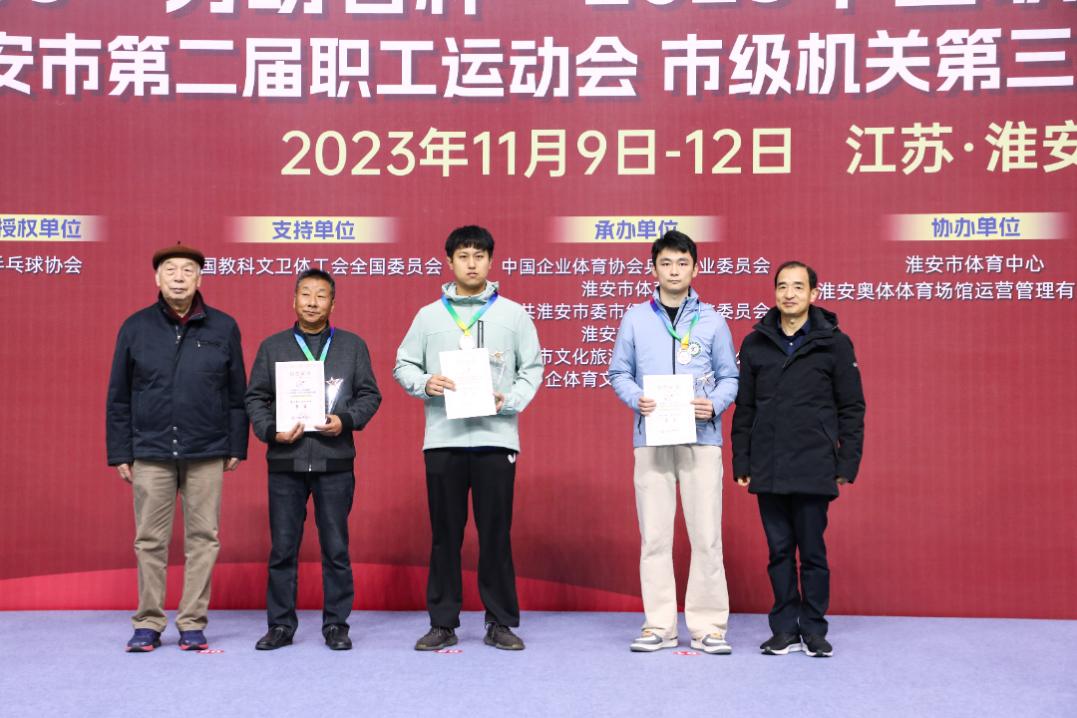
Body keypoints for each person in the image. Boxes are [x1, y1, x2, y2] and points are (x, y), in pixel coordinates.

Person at [393, 225, 543, 651]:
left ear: (491, 261)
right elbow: (403, 364)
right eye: (463, 256)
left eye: (479, 255)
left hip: (497, 438)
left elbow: (532, 368)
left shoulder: (513, 315)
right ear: (450, 262)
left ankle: (500, 622)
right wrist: (426, 383)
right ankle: (443, 623)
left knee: (496, 535)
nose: (472, 263)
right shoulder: (429, 316)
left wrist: (509, 400)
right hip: (444, 440)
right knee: (445, 535)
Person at [106, 244, 248, 653]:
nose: (180, 277)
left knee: (204, 537)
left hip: (207, 449)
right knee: (150, 539)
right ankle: (148, 622)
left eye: (188, 270)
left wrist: (236, 444)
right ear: (158, 278)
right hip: (151, 450)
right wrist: (121, 452)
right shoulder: (135, 327)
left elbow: (236, 393)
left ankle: (192, 622)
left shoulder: (223, 327)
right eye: (171, 270)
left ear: (200, 278)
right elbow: (119, 395)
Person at [608, 230, 739, 654]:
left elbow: (730, 377)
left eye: (682, 263)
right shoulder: (635, 318)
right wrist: (637, 399)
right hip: (652, 438)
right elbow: (618, 372)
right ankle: (659, 626)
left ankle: (708, 627)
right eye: (666, 263)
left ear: (695, 268)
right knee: (655, 537)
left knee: (707, 537)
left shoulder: (713, 320)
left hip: (702, 438)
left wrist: (714, 404)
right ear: (654, 269)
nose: (674, 271)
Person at [731, 261, 865, 658]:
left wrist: (846, 463)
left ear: (813, 294)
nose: (789, 294)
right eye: (782, 286)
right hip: (769, 464)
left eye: (798, 287)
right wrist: (742, 461)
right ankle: (784, 629)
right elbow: (745, 407)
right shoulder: (755, 343)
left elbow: (852, 407)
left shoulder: (834, 343)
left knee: (812, 552)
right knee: (778, 552)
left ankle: (814, 629)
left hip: (814, 463)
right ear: (775, 292)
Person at [245, 269, 381, 651]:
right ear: (294, 300)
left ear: (332, 304)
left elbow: (370, 395)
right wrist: (271, 430)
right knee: (283, 550)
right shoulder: (273, 347)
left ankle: (336, 625)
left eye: (321, 295)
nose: (312, 302)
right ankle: (280, 626)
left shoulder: (352, 346)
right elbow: (254, 398)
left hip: (334, 462)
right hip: (285, 463)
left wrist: (346, 420)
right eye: (305, 294)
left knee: (336, 549)